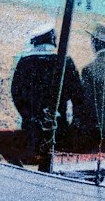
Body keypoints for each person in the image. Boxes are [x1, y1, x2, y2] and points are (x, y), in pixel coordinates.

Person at [9, 23, 85, 156]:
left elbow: (16, 93)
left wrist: (27, 116)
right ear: (52, 38)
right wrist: (76, 119)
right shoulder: (66, 61)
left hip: (31, 123)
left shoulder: (25, 61)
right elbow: (78, 94)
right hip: (58, 122)